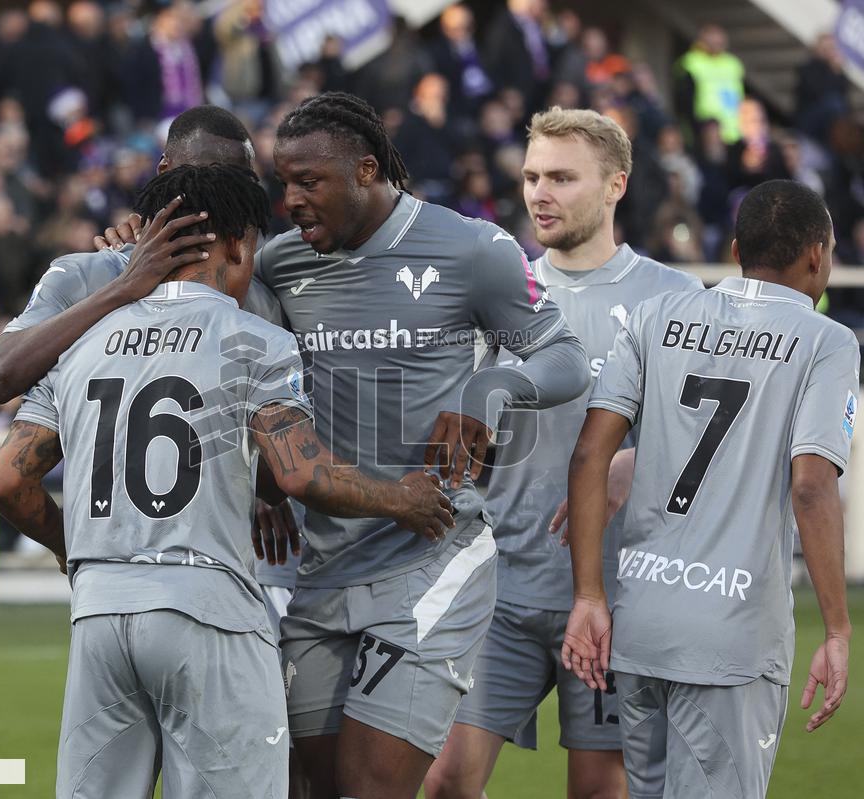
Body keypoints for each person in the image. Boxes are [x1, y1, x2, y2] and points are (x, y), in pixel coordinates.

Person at [0, 164, 455, 798]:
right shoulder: (253, 340)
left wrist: (79, 555)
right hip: (206, 612)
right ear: (239, 244)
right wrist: (402, 499)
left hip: (99, 609)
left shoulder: (77, 340)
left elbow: (9, 484)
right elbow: (301, 473)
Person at [259, 91, 590, 798]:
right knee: (305, 786)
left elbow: (565, 358)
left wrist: (490, 388)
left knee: (371, 786)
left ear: (367, 171)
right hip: (321, 571)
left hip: (431, 555)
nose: (290, 199)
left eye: (308, 181)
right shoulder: (279, 266)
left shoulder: (472, 247)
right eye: (282, 182)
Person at [424, 108, 702, 799]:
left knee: (598, 789)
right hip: (503, 587)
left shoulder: (675, 299)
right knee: (446, 779)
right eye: (531, 176)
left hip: (615, 595)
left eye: (562, 178)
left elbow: (707, 445)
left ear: (615, 185)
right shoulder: (498, 291)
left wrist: (633, 462)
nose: (540, 193)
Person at [563, 179, 857, 798]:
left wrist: (589, 594)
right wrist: (836, 629)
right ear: (817, 255)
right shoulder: (826, 341)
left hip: (640, 621)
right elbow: (811, 488)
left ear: (734, 248)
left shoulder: (657, 315)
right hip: (731, 636)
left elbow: (592, 451)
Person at [0, 104, 254, 406]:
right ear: (164, 170)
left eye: (239, 180)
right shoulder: (90, 273)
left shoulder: (264, 275)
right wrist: (122, 288)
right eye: (207, 173)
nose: (223, 191)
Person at [673, 24, 745, 145]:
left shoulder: (732, 63)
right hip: (705, 129)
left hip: (734, 129)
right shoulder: (691, 61)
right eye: (711, 39)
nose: (716, 43)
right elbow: (683, 99)